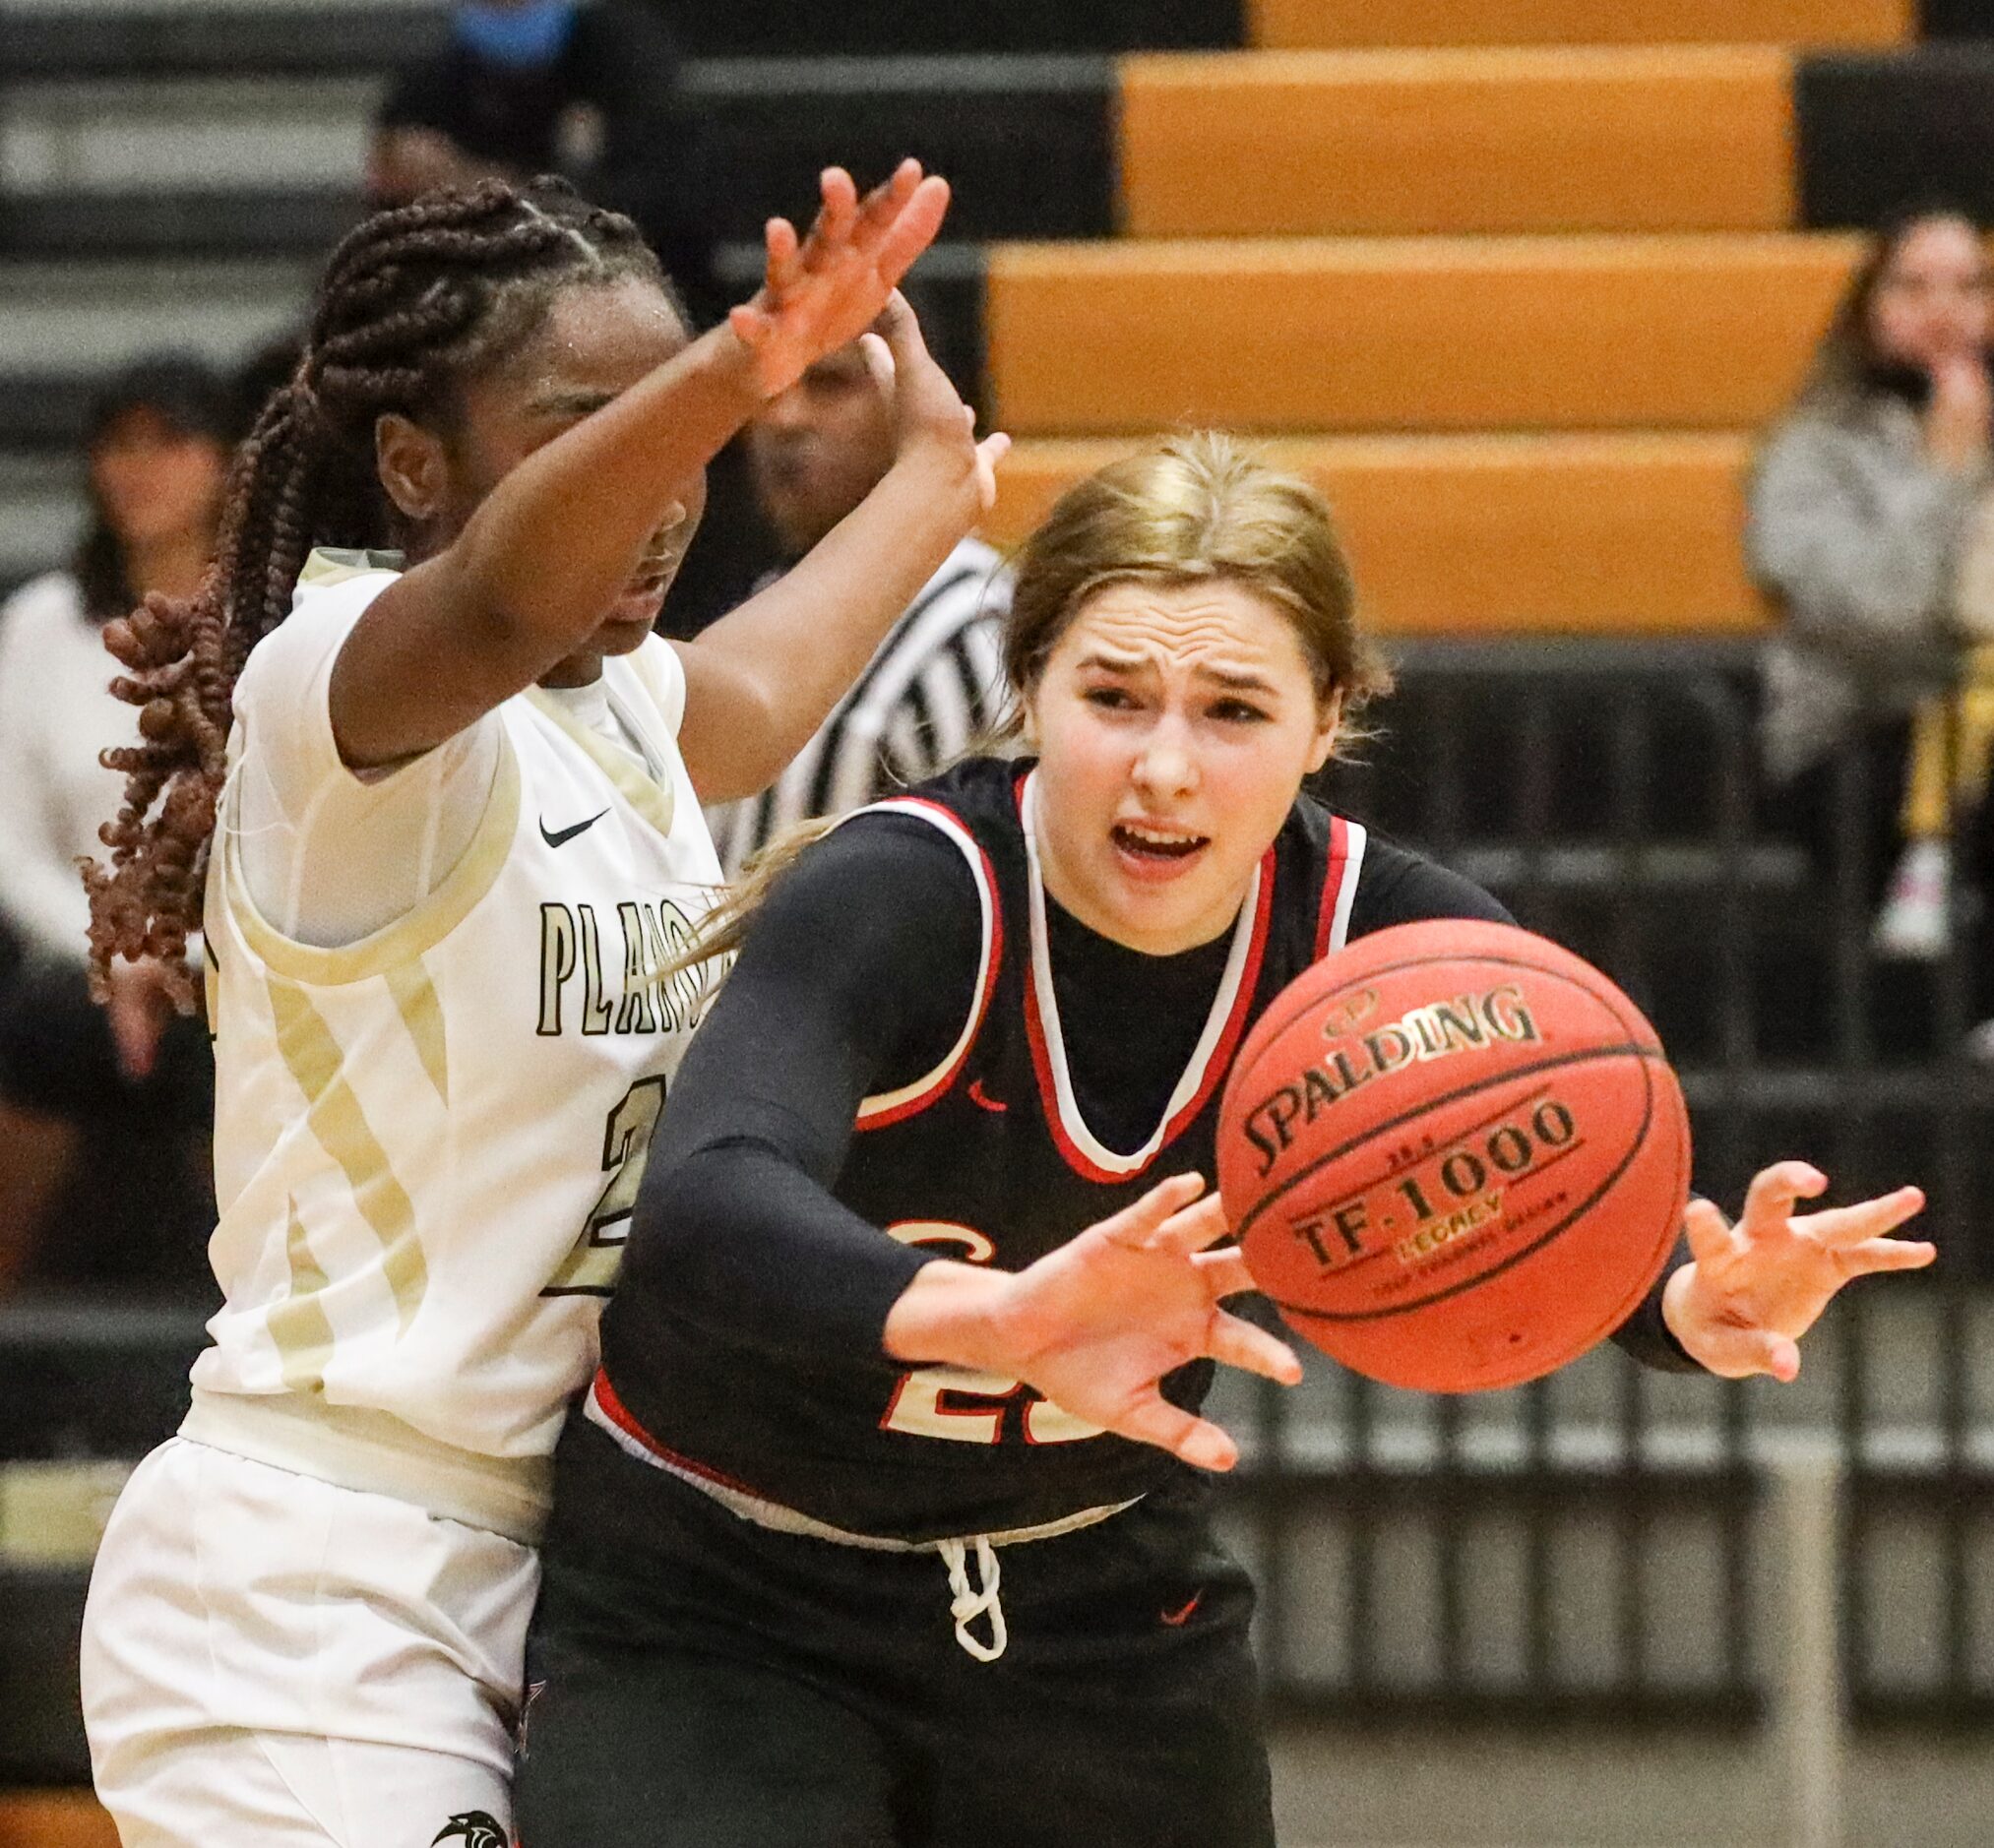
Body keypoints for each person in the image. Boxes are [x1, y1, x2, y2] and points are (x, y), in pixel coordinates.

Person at [515, 435, 1934, 1848]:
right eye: (1113, 698)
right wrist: (1003, 1315)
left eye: (1232, 710)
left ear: (1328, 720)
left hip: (1088, 1600)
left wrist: (1685, 1302)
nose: (1164, 768)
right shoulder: (904, 893)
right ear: (1032, 692)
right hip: (719, 1596)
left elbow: (1528, 1204)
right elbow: (704, 1205)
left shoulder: (1392, 950)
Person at [78, 161, 1004, 1848]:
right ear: (416, 464)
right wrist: (724, 367)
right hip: (318, 1577)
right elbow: (505, 590)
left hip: (569, 1569)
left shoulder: (614, 705)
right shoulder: (335, 688)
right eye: (604, 430)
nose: (666, 493)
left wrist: (933, 483)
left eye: (686, 448)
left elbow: (756, 690)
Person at [0, 356, 235, 1291]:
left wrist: (192, 953)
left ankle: (262, 1341)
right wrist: (116, 945)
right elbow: (10, 842)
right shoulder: (43, 620)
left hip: (240, 958)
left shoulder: (276, 617)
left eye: (169, 441)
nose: (139, 468)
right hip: (78, 957)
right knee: (40, 1031)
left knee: (243, 1043)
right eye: (118, 445)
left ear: (226, 461)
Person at [1750, 206, 1994, 972]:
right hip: (1857, 741)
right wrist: (1944, 470)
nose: (1944, 310)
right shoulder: (1812, 451)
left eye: (1970, 285)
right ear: (1869, 307)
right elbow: (1879, 613)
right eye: (1914, 286)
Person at [709, 329, 1010, 874]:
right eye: (771, 384)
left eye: (831, 382)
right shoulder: (764, 599)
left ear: (921, 399)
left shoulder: (966, 629)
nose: (784, 417)